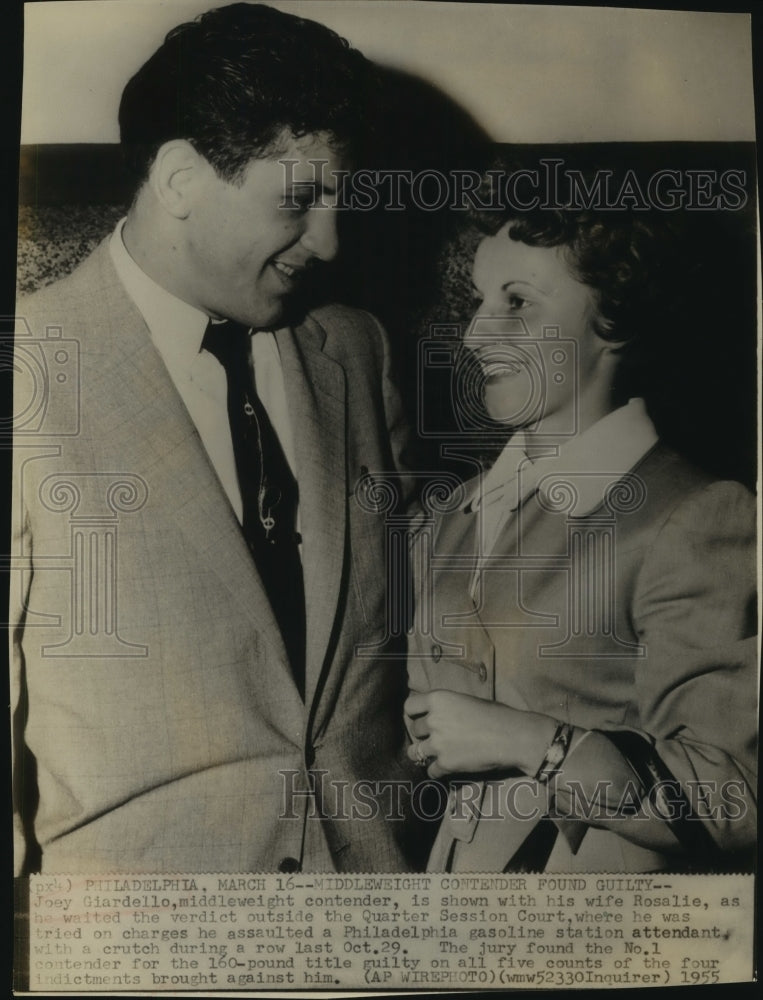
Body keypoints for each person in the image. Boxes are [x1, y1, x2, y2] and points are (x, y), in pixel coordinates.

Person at [11, 2, 422, 874]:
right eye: (301, 201)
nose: (331, 240)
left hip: (374, 913)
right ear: (180, 182)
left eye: (341, 201)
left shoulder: (357, 346)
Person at [405, 197, 757, 873]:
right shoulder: (454, 513)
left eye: (517, 302)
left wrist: (536, 743)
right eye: (479, 302)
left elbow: (732, 798)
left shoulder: (698, 513)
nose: (477, 336)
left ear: (611, 317)